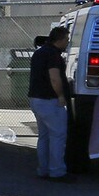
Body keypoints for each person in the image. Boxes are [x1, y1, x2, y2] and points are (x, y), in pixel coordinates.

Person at [27, 27, 71, 181]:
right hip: (49, 100)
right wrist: (60, 95)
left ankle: (43, 169)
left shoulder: (40, 52)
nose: (67, 42)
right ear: (59, 39)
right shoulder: (53, 55)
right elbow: (54, 77)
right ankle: (57, 172)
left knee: (44, 137)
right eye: (66, 39)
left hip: (36, 99)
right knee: (58, 136)